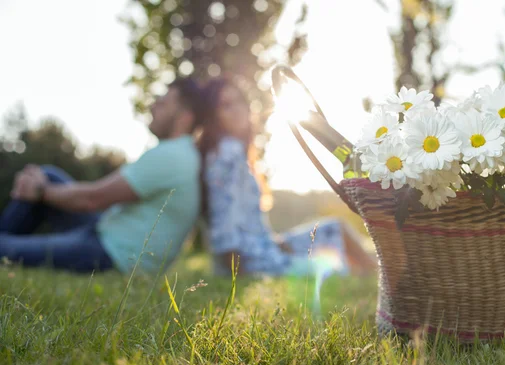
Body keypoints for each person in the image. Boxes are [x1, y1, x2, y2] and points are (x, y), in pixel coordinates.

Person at [0, 78, 202, 274]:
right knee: (47, 175)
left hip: (114, 255)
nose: (153, 107)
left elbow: (92, 199)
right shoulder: (183, 154)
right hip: (110, 234)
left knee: (5, 246)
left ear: (185, 117)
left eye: (163, 104)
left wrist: (40, 191)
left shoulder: (172, 156)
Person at [197, 77, 377, 276]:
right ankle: (378, 275)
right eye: (226, 105)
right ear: (214, 117)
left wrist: (277, 244)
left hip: (266, 248)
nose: (238, 109)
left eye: (240, 101)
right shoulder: (227, 154)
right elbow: (225, 222)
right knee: (331, 266)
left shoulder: (236, 153)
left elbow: (246, 224)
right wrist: (236, 271)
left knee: (335, 228)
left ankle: (375, 270)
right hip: (254, 262)